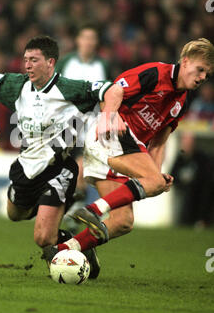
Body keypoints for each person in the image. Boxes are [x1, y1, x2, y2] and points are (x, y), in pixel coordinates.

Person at [42, 38, 214, 265]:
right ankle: (92, 210)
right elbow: (112, 91)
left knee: (123, 221)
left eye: (207, 75)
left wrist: (155, 175)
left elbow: (159, 143)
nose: (202, 77)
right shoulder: (155, 73)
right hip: (112, 134)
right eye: (200, 69)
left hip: (123, 150)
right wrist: (110, 116)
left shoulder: (180, 102)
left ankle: (62, 250)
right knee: (154, 182)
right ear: (185, 61)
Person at [0, 35, 120, 278]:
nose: (27, 65)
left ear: (51, 63)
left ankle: (79, 247)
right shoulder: (17, 85)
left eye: (34, 60)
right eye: (25, 59)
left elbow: (112, 89)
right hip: (26, 167)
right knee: (14, 215)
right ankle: (58, 222)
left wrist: (109, 116)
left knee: (43, 238)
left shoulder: (69, 88)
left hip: (58, 170)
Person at [56, 24, 112, 229]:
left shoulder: (103, 66)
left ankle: (77, 208)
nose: (88, 42)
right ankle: (64, 208)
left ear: (96, 43)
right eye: (85, 37)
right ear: (78, 40)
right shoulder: (66, 63)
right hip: (65, 124)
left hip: (90, 125)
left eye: (92, 38)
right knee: (60, 169)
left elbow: (110, 93)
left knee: (80, 168)